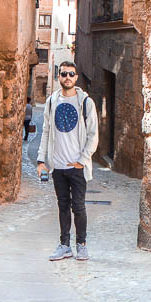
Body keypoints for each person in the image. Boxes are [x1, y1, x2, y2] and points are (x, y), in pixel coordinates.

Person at [37, 61, 98, 261]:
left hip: (76, 166)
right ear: (59, 77)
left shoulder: (85, 102)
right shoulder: (52, 101)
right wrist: (41, 161)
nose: (68, 77)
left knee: (78, 206)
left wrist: (82, 160)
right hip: (58, 165)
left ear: (76, 77)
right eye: (64, 74)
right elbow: (46, 131)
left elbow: (93, 135)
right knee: (62, 205)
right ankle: (64, 245)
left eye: (71, 74)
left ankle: (81, 244)